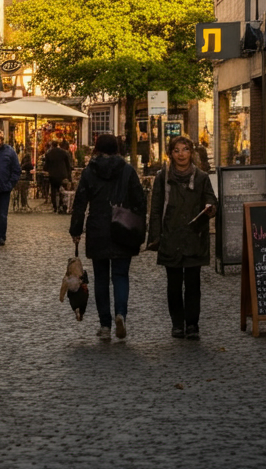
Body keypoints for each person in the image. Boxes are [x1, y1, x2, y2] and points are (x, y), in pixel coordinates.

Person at [70, 134, 146, 340]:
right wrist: (140, 228)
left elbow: (80, 203)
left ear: (96, 149)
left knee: (101, 279)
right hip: (123, 228)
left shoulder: (89, 172)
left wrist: (76, 230)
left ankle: (105, 325)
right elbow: (140, 201)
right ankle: (120, 314)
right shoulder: (128, 171)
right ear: (118, 149)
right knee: (120, 276)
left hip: (98, 229)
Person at [146, 135, 218, 340]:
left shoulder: (201, 177)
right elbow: (156, 208)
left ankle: (192, 324)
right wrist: (155, 236)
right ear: (171, 154)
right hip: (171, 237)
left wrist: (210, 208)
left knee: (193, 283)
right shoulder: (163, 177)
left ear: (191, 153)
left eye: (185, 149)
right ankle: (177, 323)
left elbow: (211, 200)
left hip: (195, 236)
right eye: (176, 150)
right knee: (174, 284)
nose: (181, 154)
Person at [43, 140, 74, 214]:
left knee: (53, 191)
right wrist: (69, 175)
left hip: (53, 175)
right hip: (62, 174)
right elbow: (68, 165)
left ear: (51, 145)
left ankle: (55, 207)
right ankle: (61, 204)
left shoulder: (48, 153)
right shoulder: (64, 153)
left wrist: (46, 170)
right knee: (62, 191)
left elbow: (46, 166)